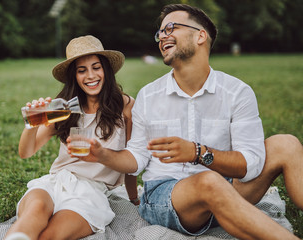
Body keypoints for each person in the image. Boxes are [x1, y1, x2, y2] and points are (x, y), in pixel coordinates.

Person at [71, 4, 303, 240]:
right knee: (208, 182)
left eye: (170, 28)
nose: (162, 36)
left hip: (227, 190)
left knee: (287, 144)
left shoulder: (237, 92)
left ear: (201, 35)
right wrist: (103, 154)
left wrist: (197, 152)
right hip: (167, 197)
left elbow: (251, 164)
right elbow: (137, 158)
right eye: (159, 32)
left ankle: (232, 209)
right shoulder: (149, 96)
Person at [5, 35, 137, 240]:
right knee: (35, 211)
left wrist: (134, 197)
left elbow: (132, 160)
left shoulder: (125, 106)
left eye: (96, 67)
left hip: (91, 192)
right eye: (81, 70)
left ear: (106, 70)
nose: (90, 76)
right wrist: (32, 123)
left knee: (50, 235)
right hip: (56, 181)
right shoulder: (65, 107)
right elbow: (26, 152)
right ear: (74, 76)